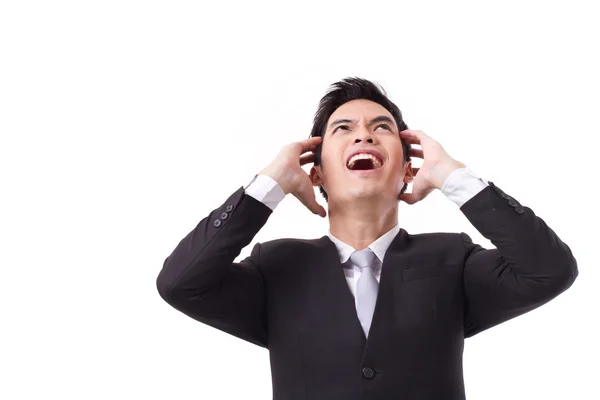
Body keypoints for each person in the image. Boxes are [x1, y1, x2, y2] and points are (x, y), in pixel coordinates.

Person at [156, 77, 578, 399]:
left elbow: (550, 270)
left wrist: (455, 178)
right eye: (343, 129)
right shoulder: (276, 268)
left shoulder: (453, 258)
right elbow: (181, 284)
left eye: (382, 128)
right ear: (315, 173)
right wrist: (269, 185)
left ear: (408, 170)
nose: (364, 135)